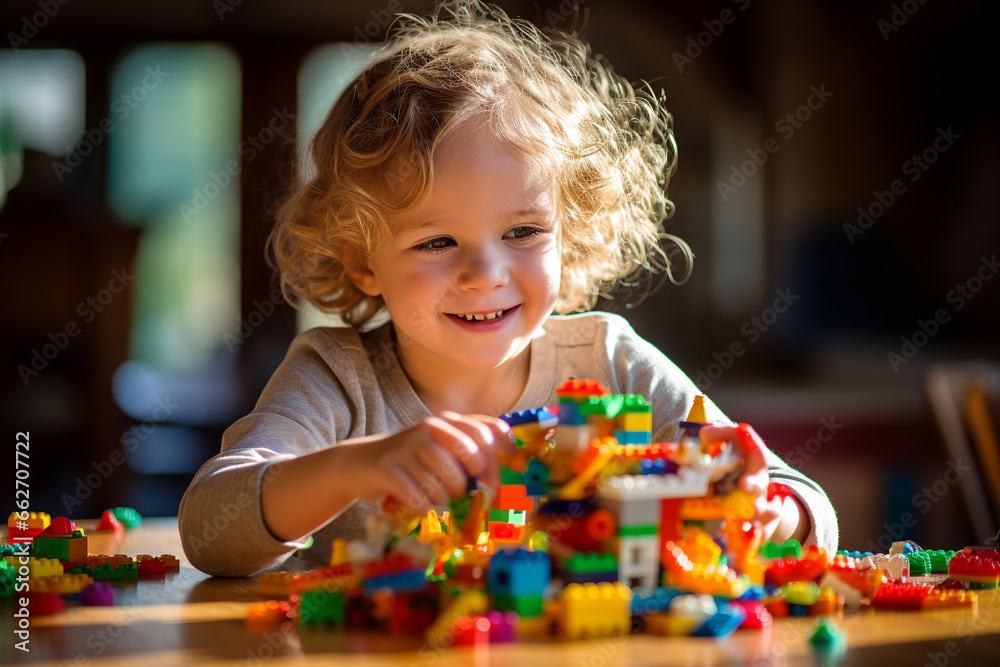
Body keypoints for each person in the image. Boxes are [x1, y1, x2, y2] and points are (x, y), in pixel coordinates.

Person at [179, 0, 838, 577]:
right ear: (362, 261)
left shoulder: (609, 361)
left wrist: (769, 510)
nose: (485, 273)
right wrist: (353, 467)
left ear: (569, 230)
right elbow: (208, 529)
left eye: (522, 230)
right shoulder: (337, 378)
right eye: (437, 242)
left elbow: (805, 502)